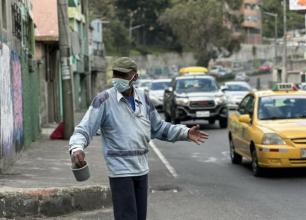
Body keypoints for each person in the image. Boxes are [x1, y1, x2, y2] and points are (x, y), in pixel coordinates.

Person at [69, 57, 208, 220]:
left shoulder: (143, 98)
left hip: (141, 170)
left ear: (134, 77)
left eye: (123, 74)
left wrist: (185, 133)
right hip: (120, 172)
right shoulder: (104, 100)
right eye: (115, 74)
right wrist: (76, 148)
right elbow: (84, 129)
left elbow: (159, 128)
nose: (118, 78)